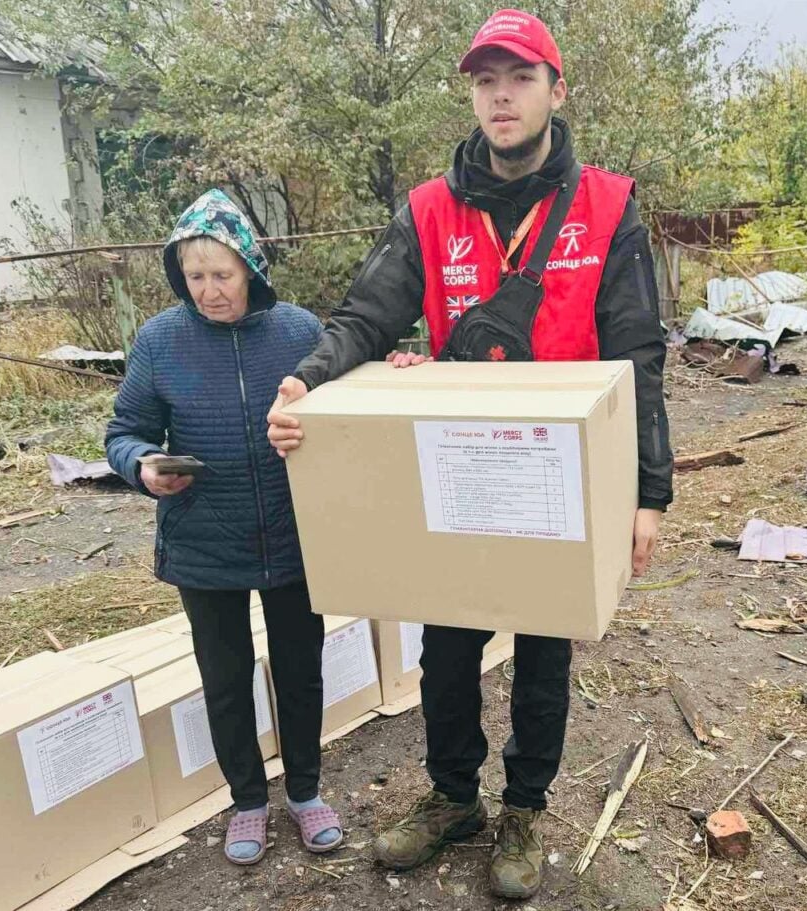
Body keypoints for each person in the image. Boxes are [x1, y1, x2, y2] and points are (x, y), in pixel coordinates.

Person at [267, 9, 673, 899]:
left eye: (520, 77)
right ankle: (454, 796)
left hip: (556, 481)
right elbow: (367, 315)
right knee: (445, 647)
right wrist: (307, 381)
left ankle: (523, 809)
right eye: (486, 80)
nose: (501, 95)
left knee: (543, 651)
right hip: (457, 473)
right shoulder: (429, 209)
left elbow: (640, 353)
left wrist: (648, 495)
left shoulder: (607, 206)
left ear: (555, 91)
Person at [106, 189, 343, 866]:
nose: (208, 291)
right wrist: (143, 465)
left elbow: (344, 405)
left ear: (252, 268)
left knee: (300, 669)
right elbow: (125, 431)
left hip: (294, 535)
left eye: (222, 275)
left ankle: (304, 791)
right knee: (225, 674)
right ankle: (247, 800)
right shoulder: (160, 340)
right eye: (195, 277)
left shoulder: (298, 331)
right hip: (203, 539)